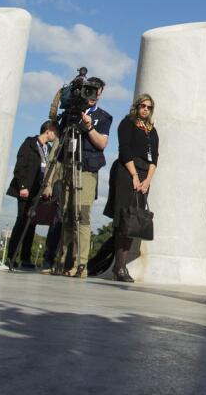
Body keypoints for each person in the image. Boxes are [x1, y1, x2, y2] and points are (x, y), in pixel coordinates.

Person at [44, 74, 111, 276]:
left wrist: (89, 126)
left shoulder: (103, 116)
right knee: (65, 214)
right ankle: (61, 260)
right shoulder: (70, 115)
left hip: (87, 170)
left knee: (81, 214)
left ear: (100, 93)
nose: (92, 93)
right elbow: (57, 142)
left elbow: (102, 144)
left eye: (96, 90)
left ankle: (80, 263)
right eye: (88, 88)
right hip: (67, 166)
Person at [104, 94, 159, 282]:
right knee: (124, 220)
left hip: (145, 176)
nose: (145, 109)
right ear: (136, 107)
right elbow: (124, 150)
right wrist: (135, 176)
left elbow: (155, 158)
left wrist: (147, 180)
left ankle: (121, 266)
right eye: (142, 106)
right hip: (127, 172)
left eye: (149, 107)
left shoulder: (152, 130)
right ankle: (118, 267)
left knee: (134, 221)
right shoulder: (127, 123)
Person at [5, 121, 58, 270]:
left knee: (31, 224)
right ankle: (11, 256)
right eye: (54, 131)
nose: (55, 135)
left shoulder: (47, 149)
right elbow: (20, 165)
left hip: (37, 192)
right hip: (26, 190)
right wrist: (23, 186)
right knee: (21, 221)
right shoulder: (30, 143)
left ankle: (25, 258)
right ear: (48, 130)